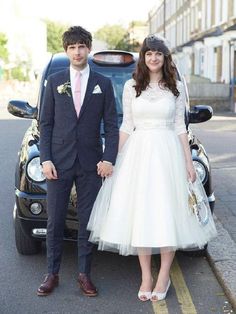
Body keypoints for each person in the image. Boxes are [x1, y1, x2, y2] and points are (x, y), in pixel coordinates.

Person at [87, 35, 217, 302]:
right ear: (143, 58)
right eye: (149, 54)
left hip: (167, 153)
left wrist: (187, 162)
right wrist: (112, 158)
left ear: (165, 58)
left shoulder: (176, 87)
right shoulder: (131, 86)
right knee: (141, 216)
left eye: (158, 54)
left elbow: (181, 127)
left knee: (169, 214)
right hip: (138, 155)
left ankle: (164, 274)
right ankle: (146, 275)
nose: (153, 58)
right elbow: (126, 126)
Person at [38, 26, 119, 297]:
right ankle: (52, 273)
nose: (77, 51)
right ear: (66, 50)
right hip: (58, 163)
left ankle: (84, 274)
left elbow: (111, 124)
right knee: (55, 220)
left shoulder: (103, 83)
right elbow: (45, 124)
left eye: (81, 46)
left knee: (86, 221)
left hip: (91, 163)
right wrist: (46, 158)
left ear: (89, 49)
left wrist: (109, 158)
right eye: (72, 47)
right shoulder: (55, 81)